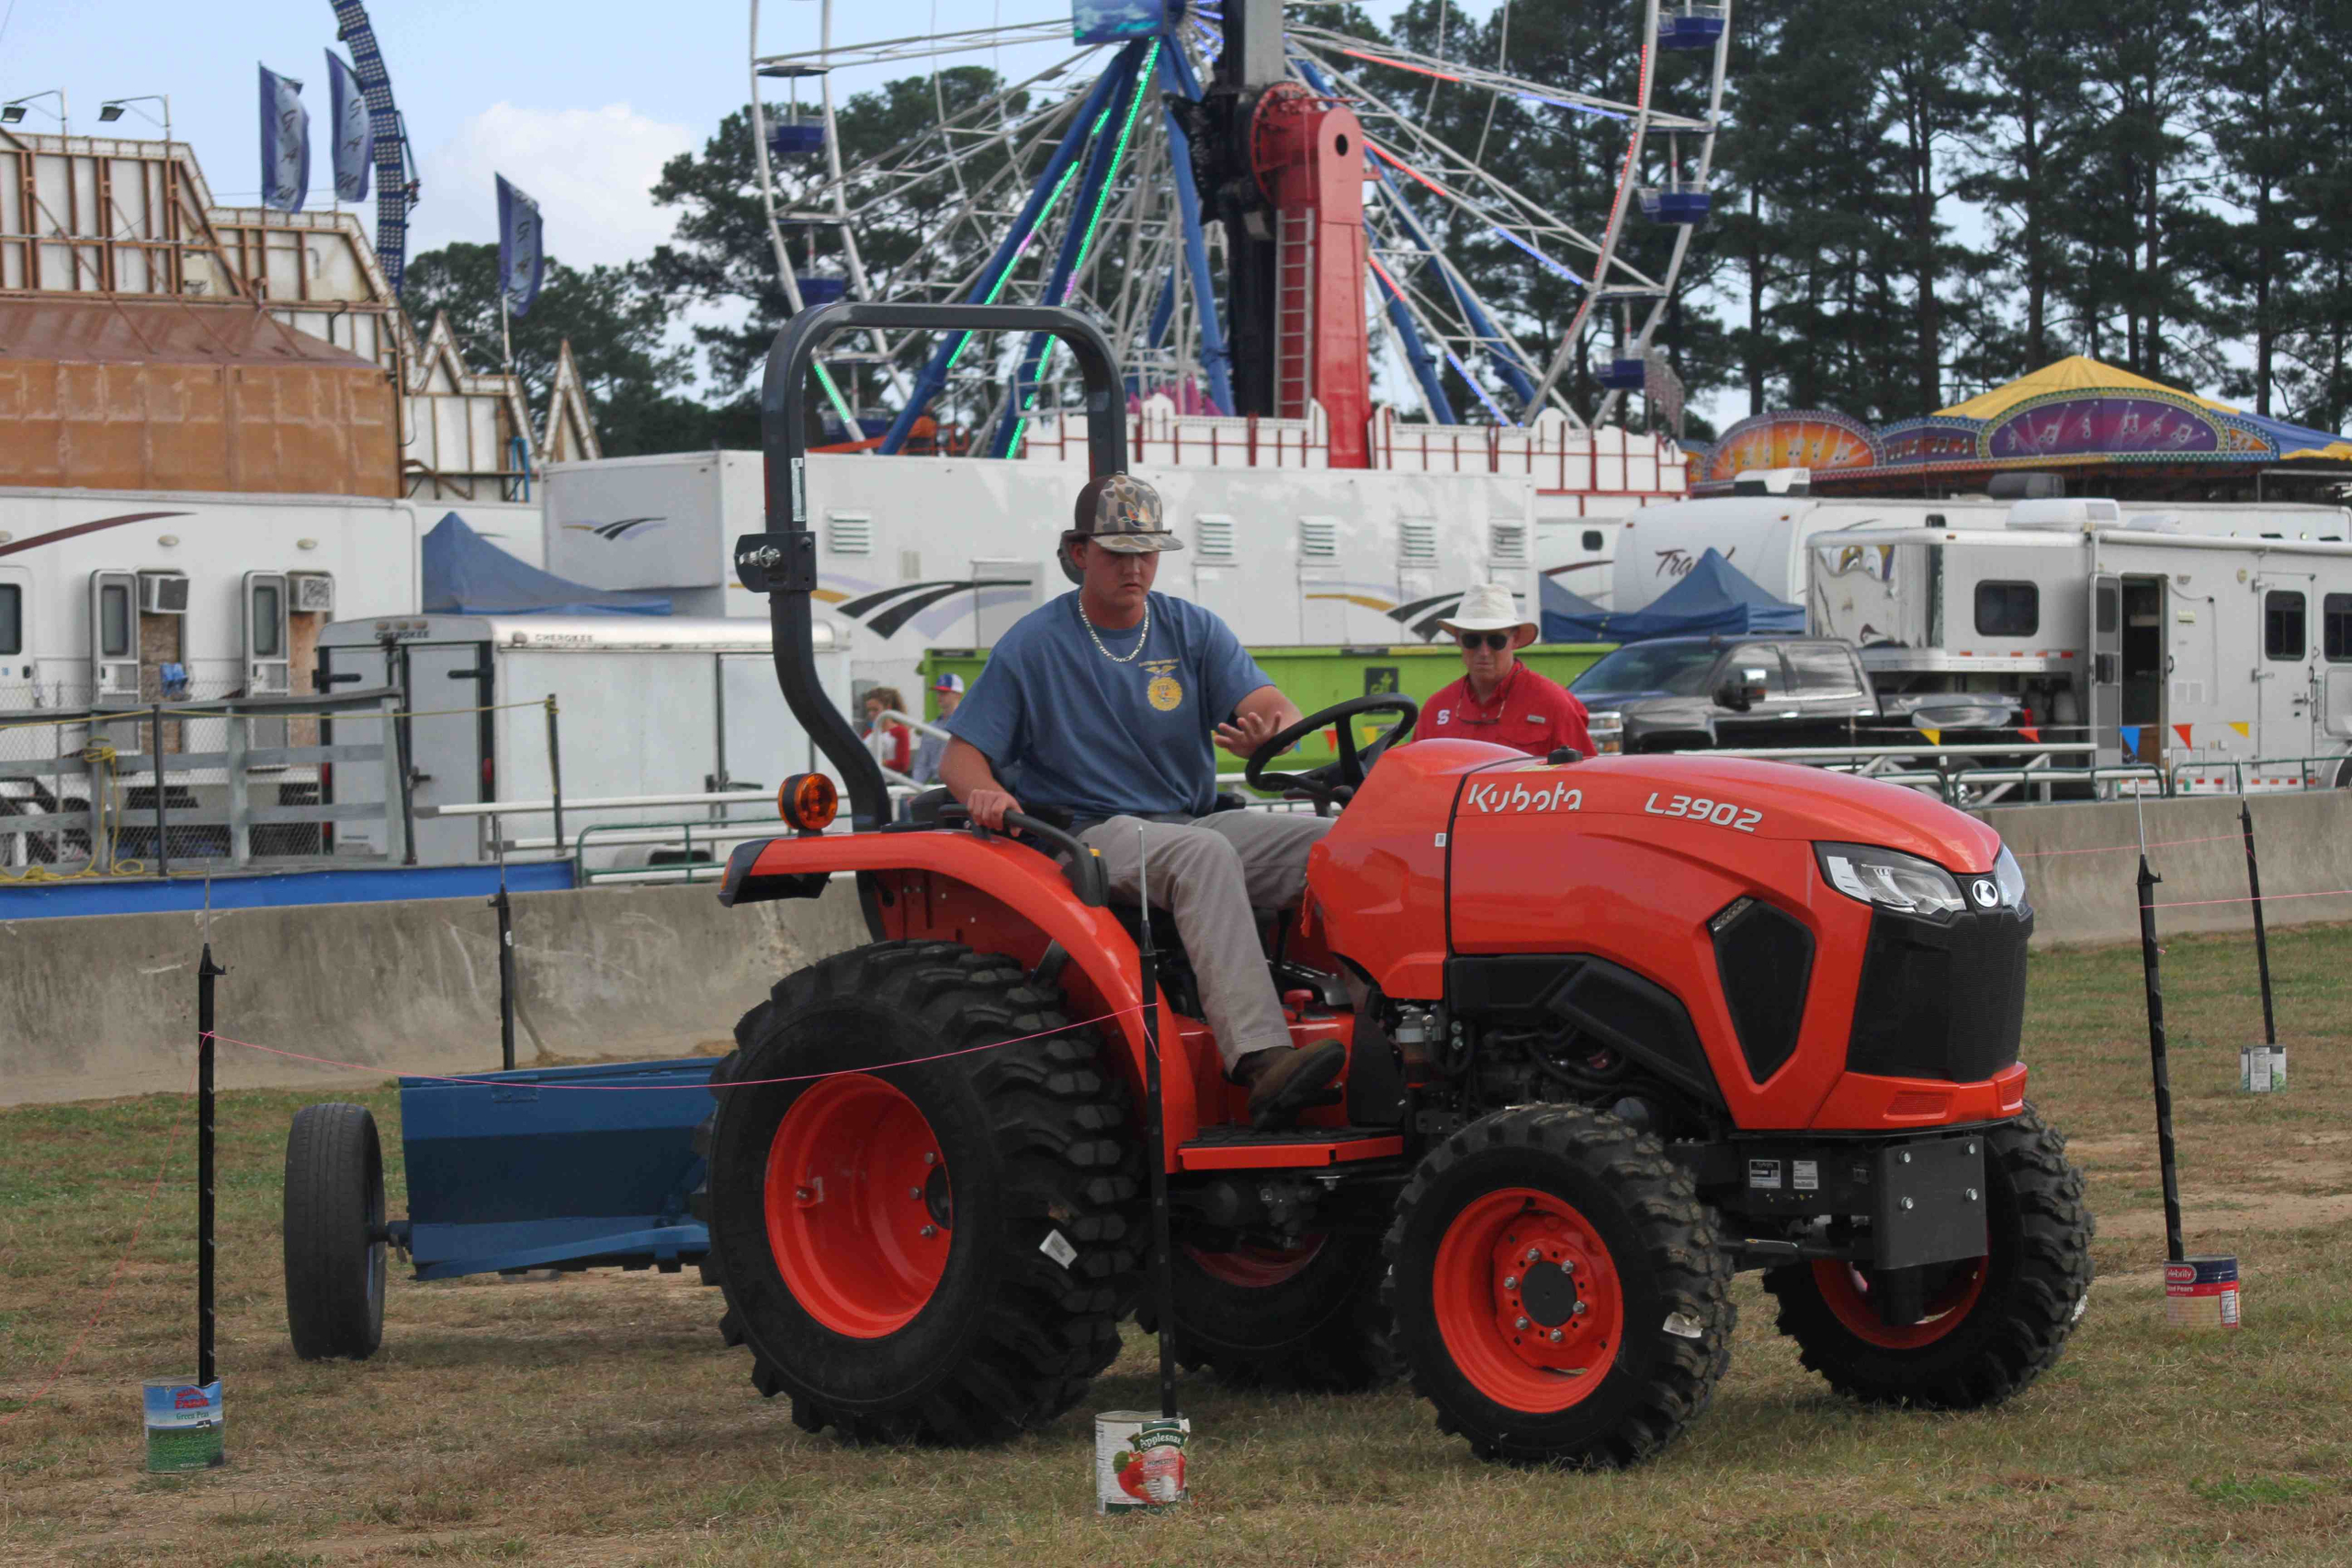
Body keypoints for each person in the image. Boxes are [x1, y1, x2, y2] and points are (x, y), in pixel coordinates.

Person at [939, 473, 1345, 1130]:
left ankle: (1391, 1029)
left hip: (1190, 816)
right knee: (1205, 853)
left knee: (1336, 844)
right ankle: (1261, 1057)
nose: (1134, 567)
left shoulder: (1191, 629)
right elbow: (959, 757)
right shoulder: (1033, 645)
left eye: (1146, 552)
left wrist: (1267, 728)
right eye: (1117, 552)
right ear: (1078, 553)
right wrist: (983, 790)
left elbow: (1274, 707)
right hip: (1093, 832)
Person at [1419, 581, 1593, 759]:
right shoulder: (1435, 709)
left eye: (1496, 641)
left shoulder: (1554, 704)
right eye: (1472, 640)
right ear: (1458, 639)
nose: (1484, 652)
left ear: (1515, 639)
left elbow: (1585, 777)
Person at [909, 672, 963, 787]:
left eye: (944, 692)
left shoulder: (968, 725)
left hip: (961, 785)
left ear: (957, 694)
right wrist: (914, 789)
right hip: (937, 784)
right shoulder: (931, 727)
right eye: (938, 692)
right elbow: (922, 763)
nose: (939, 696)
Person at [863, 688, 912, 777]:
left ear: (888, 708)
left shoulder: (900, 731)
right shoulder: (868, 733)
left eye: (875, 710)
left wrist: (879, 762)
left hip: (891, 783)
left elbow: (902, 764)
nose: (871, 714)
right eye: (869, 710)